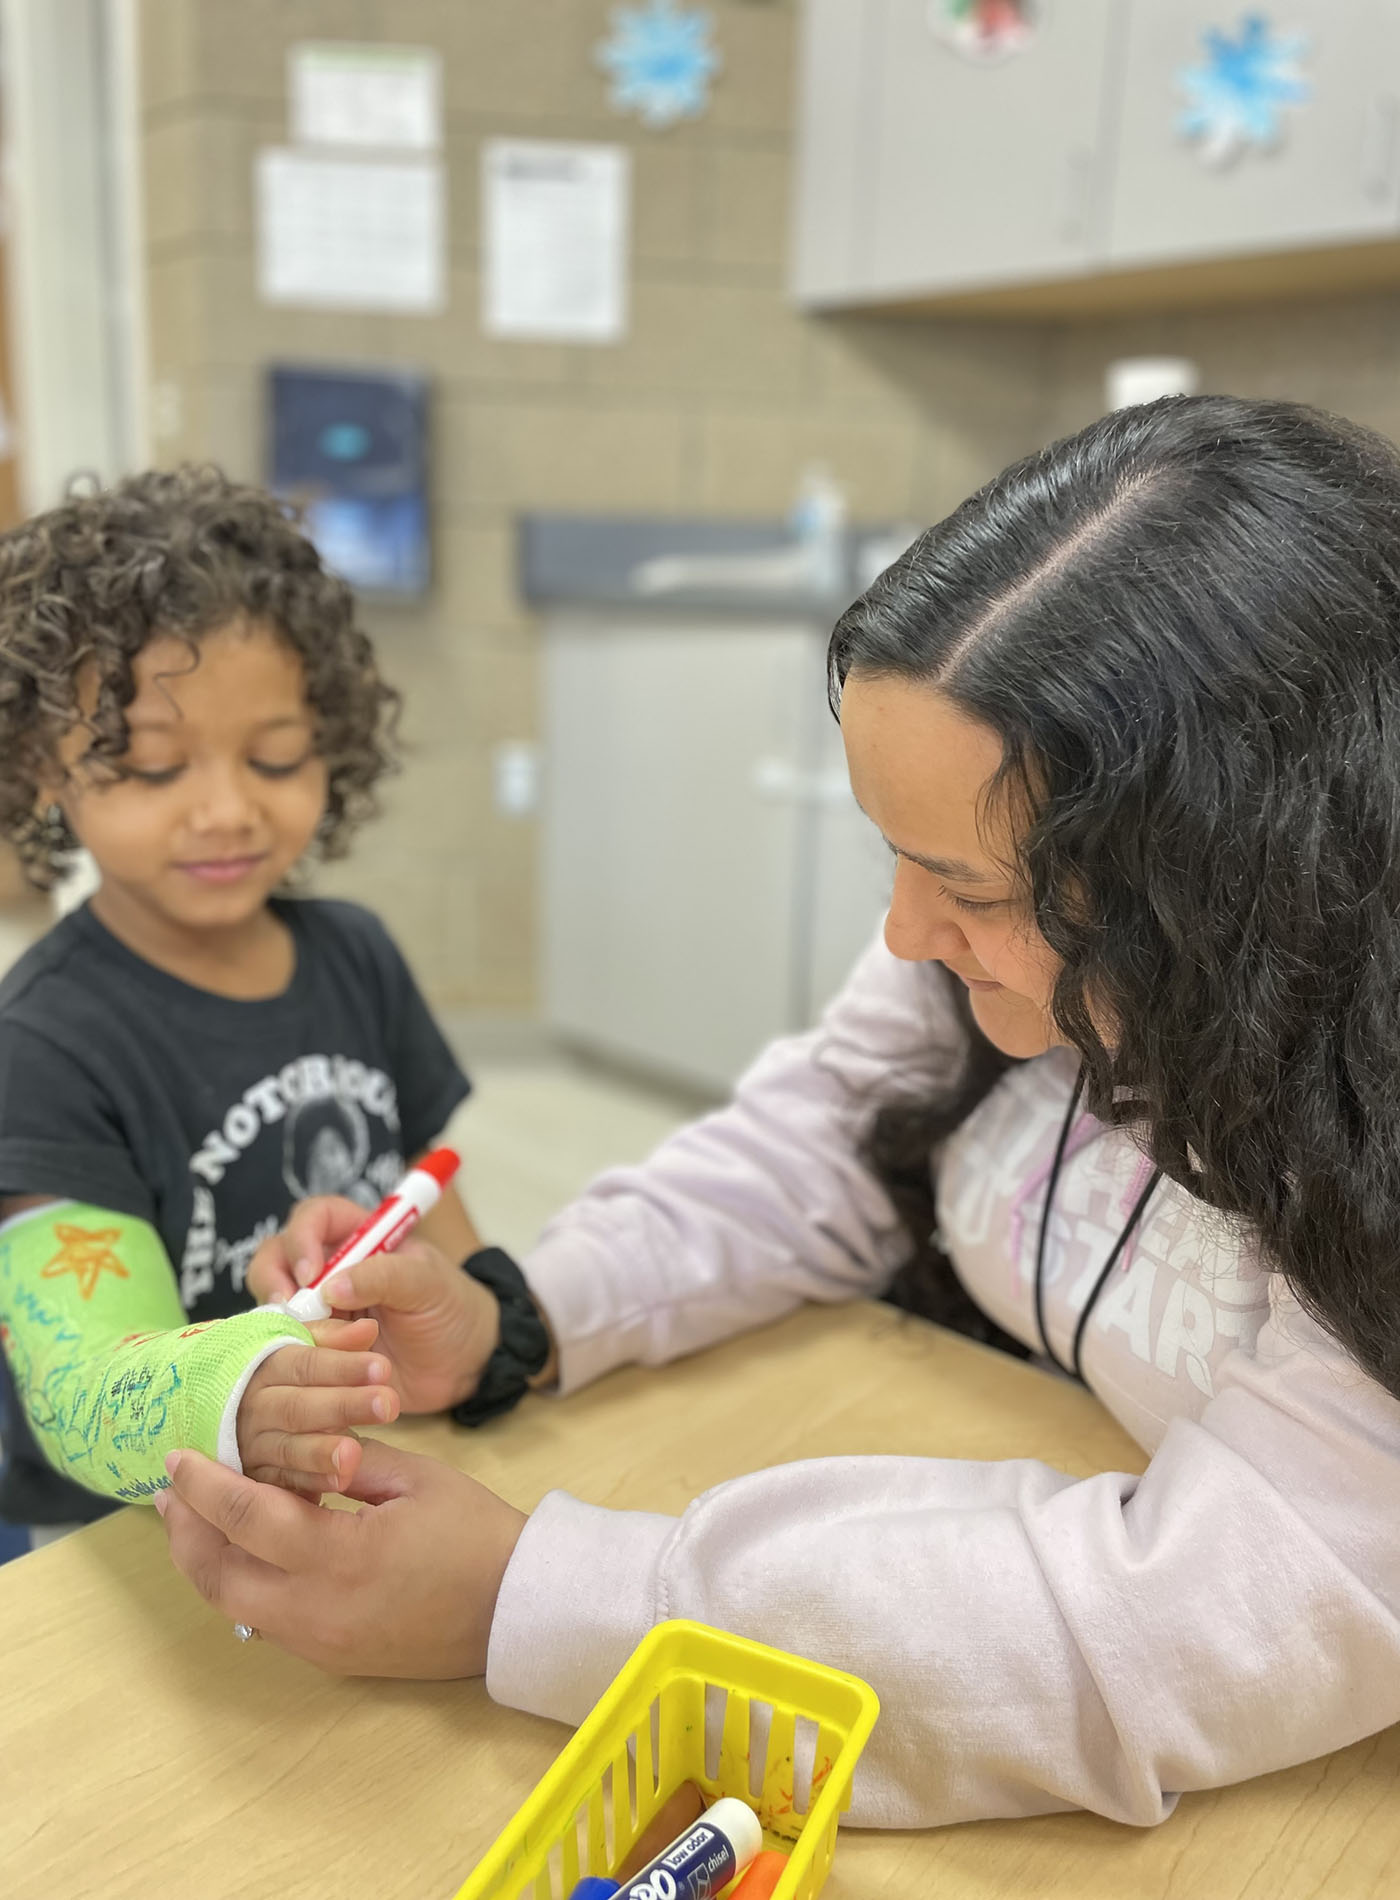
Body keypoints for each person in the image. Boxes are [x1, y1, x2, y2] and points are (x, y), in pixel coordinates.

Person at [159, 397, 1400, 1830]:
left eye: (974, 893)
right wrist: (519, 1312)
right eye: (894, 857)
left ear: (1234, 886)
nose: (905, 930)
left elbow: (1185, 1621)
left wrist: (537, 1600)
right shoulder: (981, 939)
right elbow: (817, 1134)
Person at [0, 467, 487, 1540]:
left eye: (274, 756)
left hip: (349, 1481)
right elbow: (81, 1383)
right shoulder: (39, 1043)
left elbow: (438, 1225)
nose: (225, 810)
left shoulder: (356, 954)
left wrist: (468, 1324)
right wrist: (240, 1390)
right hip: (128, 1538)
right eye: (153, 767)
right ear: (45, 766)